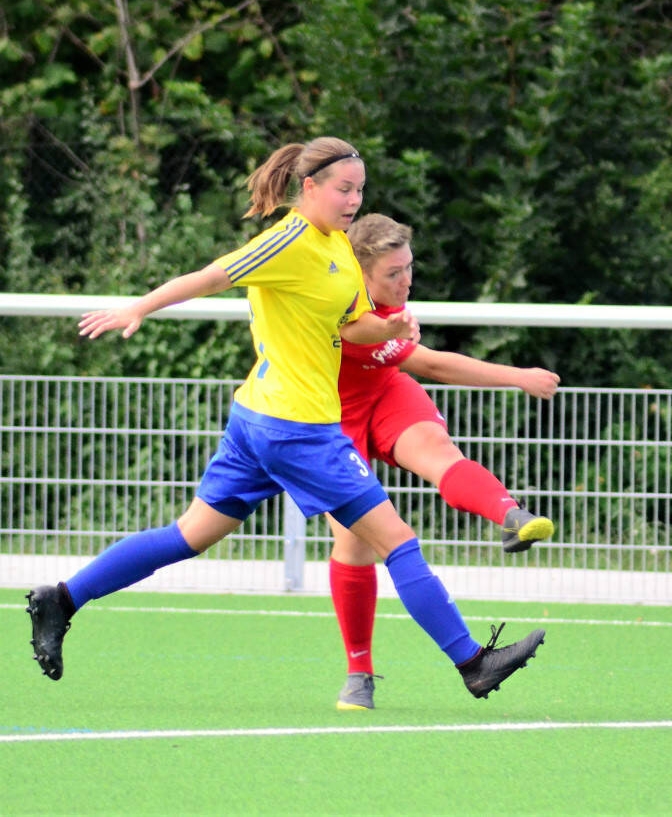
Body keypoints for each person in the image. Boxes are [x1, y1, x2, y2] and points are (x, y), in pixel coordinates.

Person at [24, 136, 545, 700]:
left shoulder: (339, 246)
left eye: (359, 189)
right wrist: (139, 307)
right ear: (310, 186)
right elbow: (211, 276)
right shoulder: (286, 241)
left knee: (188, 536)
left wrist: (392, 327)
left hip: (259, 420)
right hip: (298, 429)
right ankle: (472, 662)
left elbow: (351, 326)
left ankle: (62, 598)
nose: (353, 200)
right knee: (396, 542)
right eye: (343, 189)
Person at [325, 213, 560, 710]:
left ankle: (511, 515)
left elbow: (414, 359)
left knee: (438, 452)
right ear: (360, 274)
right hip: (330, 417)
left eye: (409, 267)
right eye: (393, 273)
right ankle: (358, 672)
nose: (406, 281)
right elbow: (431, 363)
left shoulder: (388, 307)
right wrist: (517, 375)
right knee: (354, 543)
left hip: (385, 391)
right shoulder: (342, 309)